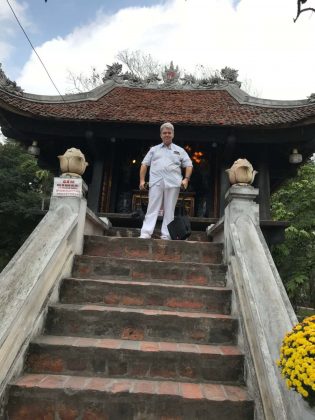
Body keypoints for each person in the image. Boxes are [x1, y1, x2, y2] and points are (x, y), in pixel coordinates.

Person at [139, 122, 193, 240]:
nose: (167, 135)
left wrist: (186, 179)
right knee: (152, 207)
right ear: (161, 135)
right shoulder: (154, 150)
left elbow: (189, 165)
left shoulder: (180, 150)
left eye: (169, 133)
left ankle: (166, 235)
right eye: (165, 133)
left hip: (173, 183)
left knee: (169, 209)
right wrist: (142, 181)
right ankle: (146, 233)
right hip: (156, 182)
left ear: (173, 135)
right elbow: (144, 164)